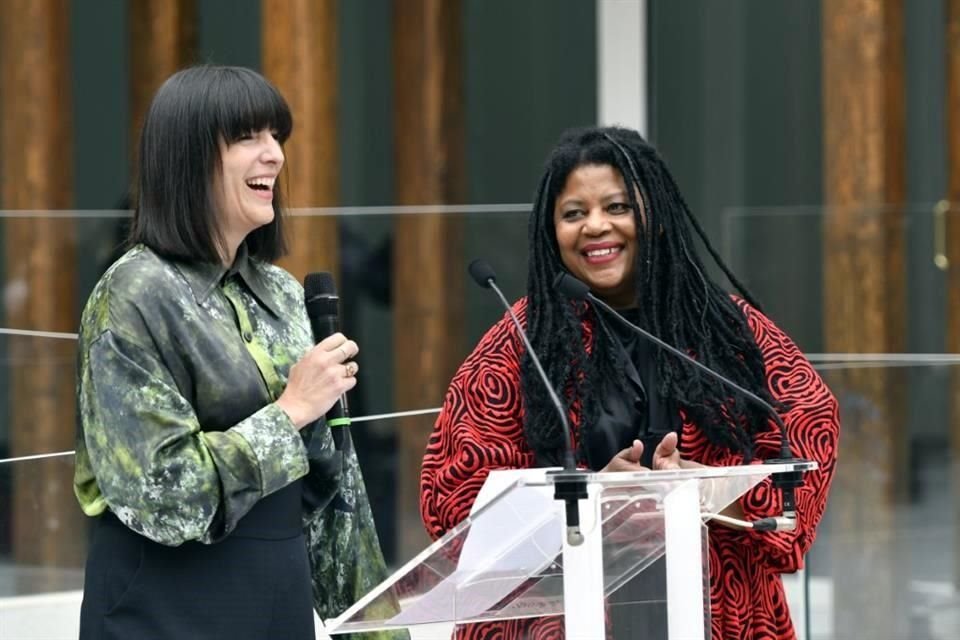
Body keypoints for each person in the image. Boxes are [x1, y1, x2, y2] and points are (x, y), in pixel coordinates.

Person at [420, 126, 839, 639]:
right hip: (561, 617)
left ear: (654, 216)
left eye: (616, 207)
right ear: (551, 232)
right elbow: (452, 501)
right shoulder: (521, 343)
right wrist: (597, 499)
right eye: (574, 214)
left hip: (717, 607)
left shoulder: (728, 331)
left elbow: (806, 425)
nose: (596, 227)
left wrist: (706, 489)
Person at [73, 65, 393, 639]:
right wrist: (291, 411)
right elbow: (164, 496)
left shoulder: (285, 294)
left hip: (276, 603)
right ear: (188, 157)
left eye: (277, 137)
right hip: (165, 612)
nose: (274, 156)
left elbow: (336, 494)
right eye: (249, 137)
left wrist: (377, 631)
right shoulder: (133, 294)